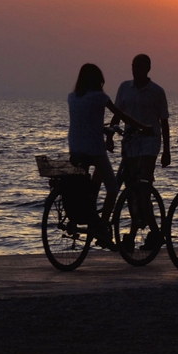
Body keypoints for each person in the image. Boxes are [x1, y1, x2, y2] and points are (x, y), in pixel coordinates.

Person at [68, 63, 147, 248]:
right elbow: (122, 115)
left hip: (75, 148)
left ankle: (91, 213)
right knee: (112, 187)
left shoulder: (72, 97)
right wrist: (144, 127)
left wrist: (103, 129)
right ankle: (103, 228)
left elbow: (85, 121)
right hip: (94, 149)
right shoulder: (100, 97)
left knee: (93, 181)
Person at [110, 54, 170, 251]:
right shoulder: (124, 88)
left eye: (139, 67)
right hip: (130, 142)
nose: (135, 70)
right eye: (133, 66)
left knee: (143, 185)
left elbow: (164, 122)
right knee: (131, 191)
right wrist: (110, 135)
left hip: (150, 142)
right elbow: (117, 113)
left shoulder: (157, 91)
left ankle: (151, 232)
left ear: (147, 69)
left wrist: (167, 151)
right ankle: (142, 233)